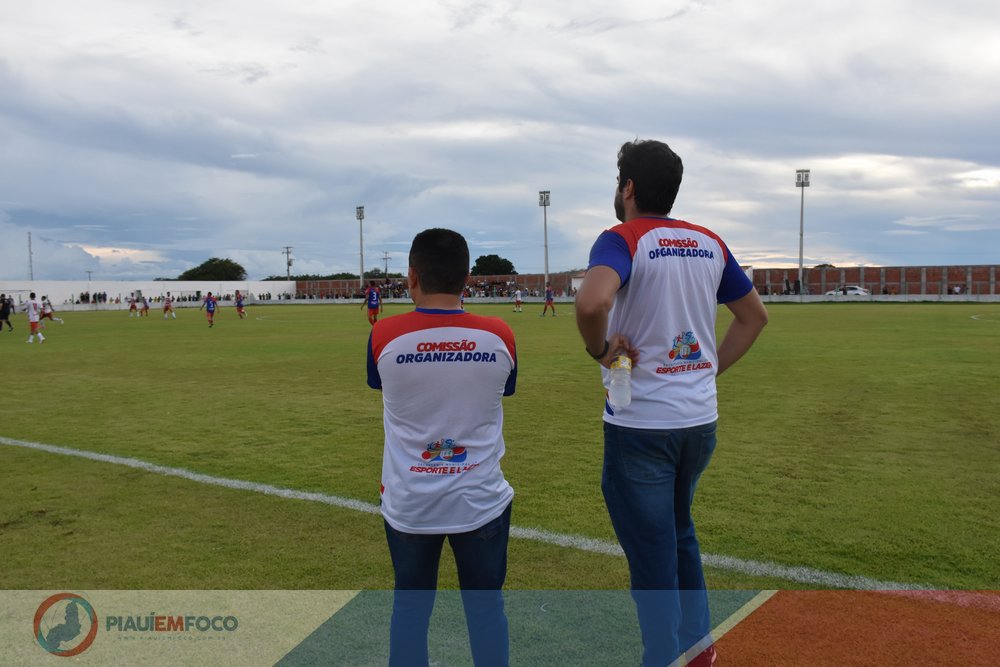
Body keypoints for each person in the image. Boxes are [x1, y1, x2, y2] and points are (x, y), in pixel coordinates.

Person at [575, 139, 768, 667]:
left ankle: (662, 655)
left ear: (629, 187)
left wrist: (600, 350)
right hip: (698, 421)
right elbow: (754, 317)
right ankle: (699, 649)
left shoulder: (622, 238)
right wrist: (706, 371)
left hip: (642, 424)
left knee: (651, 552)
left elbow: (592, 302)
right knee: (680, 531)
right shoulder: (709, 242)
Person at [367, 228, 517, 667]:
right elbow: (505, 389)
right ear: (467, 278)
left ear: (411, 276)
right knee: (486, 610)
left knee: (410, 610)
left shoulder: (384, 334)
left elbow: (380, 383)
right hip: (480, 500)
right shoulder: (499, 334)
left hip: (411, 502)